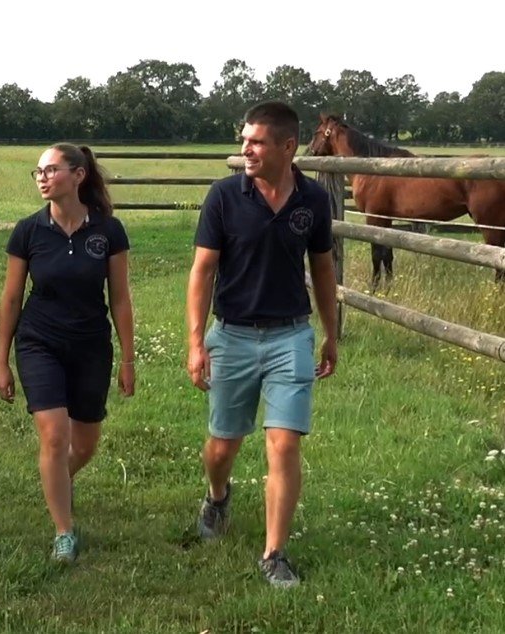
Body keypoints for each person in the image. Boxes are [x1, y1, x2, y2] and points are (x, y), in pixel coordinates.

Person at [186, 101, 338, 588]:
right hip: (231, 335)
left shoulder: (313, 200)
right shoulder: (225, 196)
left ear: (287, 147)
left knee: (285, 442)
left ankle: (274, 553)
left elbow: (323, 269)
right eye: (244, 140)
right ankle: (217, 496)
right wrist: (196, 342)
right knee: (222, 446)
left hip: (290, 335)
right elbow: (202, 270)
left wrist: (331, 334)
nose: (245, 149)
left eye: (255, 142)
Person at [0, 143, 135, 564]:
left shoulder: (109, 231)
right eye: (38, 171)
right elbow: (11, 298)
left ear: (78, 175)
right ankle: (64, 531)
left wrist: (128, 359)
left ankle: (56, 479)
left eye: (51, 170)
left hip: (91, 344)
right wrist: (1, 361)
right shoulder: (28, 231)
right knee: (55, 436)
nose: (42, 178)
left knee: (85, 443)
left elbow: (121, 299)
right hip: (39, 341)